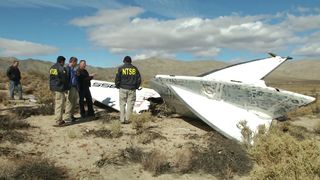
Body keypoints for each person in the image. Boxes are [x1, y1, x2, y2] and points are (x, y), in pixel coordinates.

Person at [115, 56, 141, 124]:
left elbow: (117, 78)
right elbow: (139, 79)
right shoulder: (135, 69)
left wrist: (117, 86)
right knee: (130, 104)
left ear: (124, 61)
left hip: (122, 88)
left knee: (122, 104)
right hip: (132, 89)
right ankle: (128, 119)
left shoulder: (121, 68)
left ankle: (122, 119)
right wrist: (136, 87)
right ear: (130, 61)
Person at [49, 56, 69, 126]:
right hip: (60, 88)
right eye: (64, 62)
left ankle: (59, 119)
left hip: (54, 87)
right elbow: (63, 79)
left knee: (58, 103)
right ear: (62, 61)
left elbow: (53, 78)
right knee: (60, 104)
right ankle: (58, 121)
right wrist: (66, 88)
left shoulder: (52, 67)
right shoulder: (61, 68)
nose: (64, 63)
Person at [65, 57, 78, 122]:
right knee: (69, 102)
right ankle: (67, 116)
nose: (76, 63)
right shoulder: (68, 68)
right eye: (76, 62)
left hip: (75, 87)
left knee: (74, 102)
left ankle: (71, 115)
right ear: (73, 62)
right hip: (70, 87)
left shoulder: (73, 69)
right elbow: (66, 78)